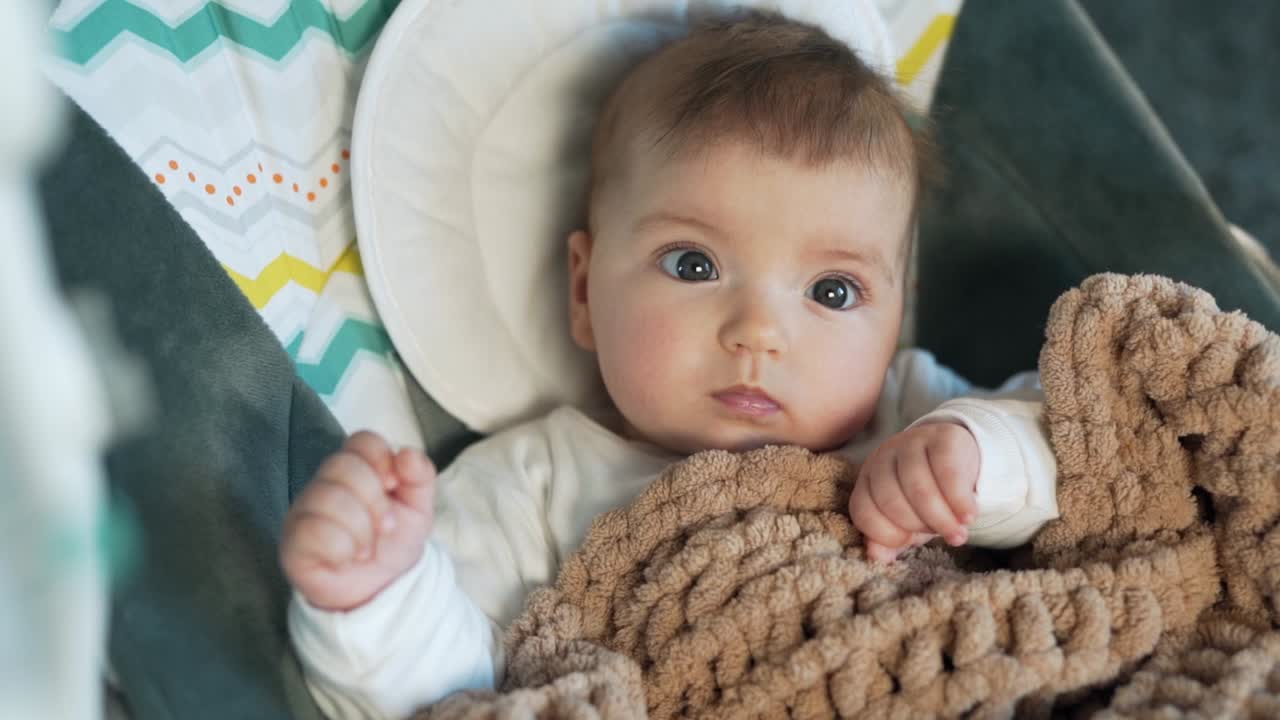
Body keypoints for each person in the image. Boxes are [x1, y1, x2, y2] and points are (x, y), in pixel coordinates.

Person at [280, 12, 1059, 719]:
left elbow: (1074, 451)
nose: (758, 333)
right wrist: (377, 598)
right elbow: (463, 687)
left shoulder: (913, 412)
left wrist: (976, 460)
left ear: (893, 316)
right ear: (584, 291)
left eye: (832, 290)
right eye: (694, 265)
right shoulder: (529, 486)